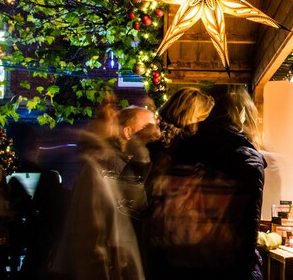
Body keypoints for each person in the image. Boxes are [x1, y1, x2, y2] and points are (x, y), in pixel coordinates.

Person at [146, 85, 265, 280]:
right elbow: (242, 232)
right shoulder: (171, 157)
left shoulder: (172, 153)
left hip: (168, 265)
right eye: (204, 119)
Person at [50, 99, 145, 280]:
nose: (115, 122)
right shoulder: (97, 168)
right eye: (108, 118)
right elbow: (91, 238)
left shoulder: (106, 164)